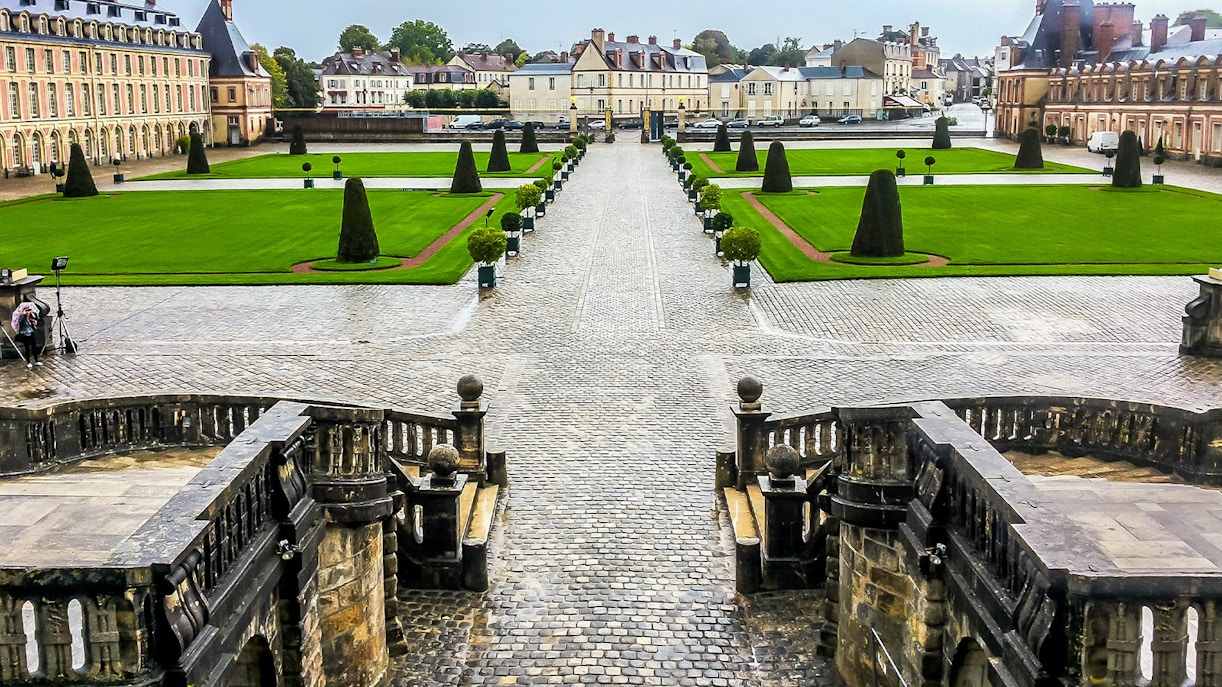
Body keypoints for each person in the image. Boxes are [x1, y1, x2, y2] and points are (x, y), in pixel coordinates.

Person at [13, 300, 41, 369]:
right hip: (24, 334)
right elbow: (20, 322)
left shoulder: (31, 315)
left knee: (34, 347)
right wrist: (23, 315)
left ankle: (36, 361)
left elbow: (37, 318)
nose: (28, 311)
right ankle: (28, 362)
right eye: (27, 310)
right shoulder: (22, 317)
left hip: (31, 332)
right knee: (27, 348)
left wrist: (33, 313)